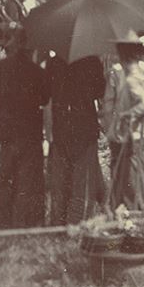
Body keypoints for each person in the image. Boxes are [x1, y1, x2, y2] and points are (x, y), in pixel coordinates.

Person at [103, 36, 144, 217]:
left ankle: (140, 225)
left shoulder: (131, 78)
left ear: (123, 55)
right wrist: (143, 116)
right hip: (141, 137)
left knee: (134, 186)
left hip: (133, 140)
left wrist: (130, 115)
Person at [0, 34, 49, 229]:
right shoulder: (36, 72)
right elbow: (44, 98)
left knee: (6, 176)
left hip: (6, 131)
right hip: (29, 132)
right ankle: (25, 221)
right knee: (29, 178)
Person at [46, 54, 107, 225]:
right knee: (82, 180)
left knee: (61, 179)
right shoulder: (92, 60)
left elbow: (47, 92)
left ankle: (59, 222)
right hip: (84, 126)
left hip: (61, 126)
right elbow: (100, 91)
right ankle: (78, 222)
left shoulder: (54, 61)